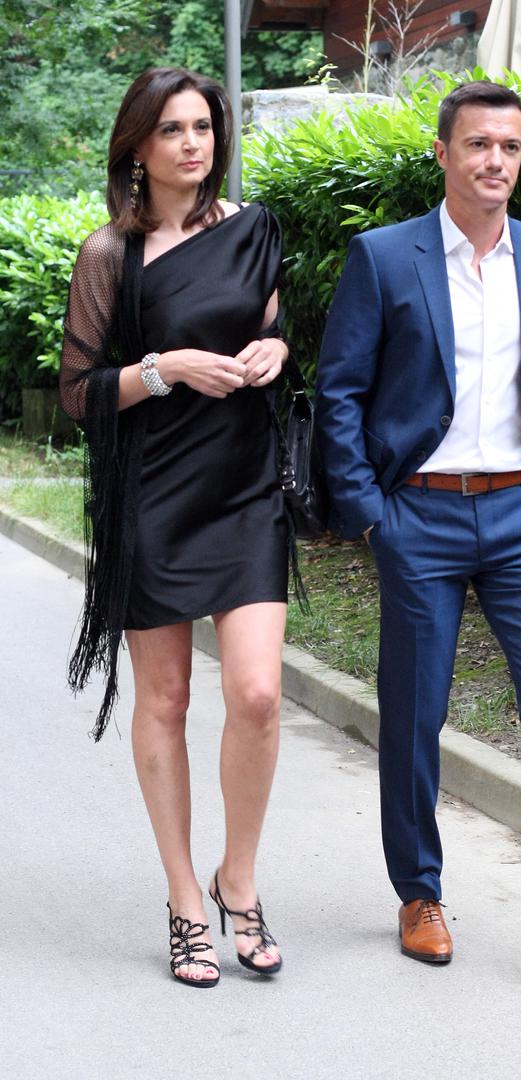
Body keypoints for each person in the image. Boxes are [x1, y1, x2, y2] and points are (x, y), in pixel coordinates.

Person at [316, 81, 521, 990]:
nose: (497, 161)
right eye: (480, 144)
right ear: (444, 153)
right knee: (416, 716)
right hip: (419, 514)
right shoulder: (384, 256)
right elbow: (340, 390)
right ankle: (419, 893)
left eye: (511, 147)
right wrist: (371, 514)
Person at [60, 68, 290, 988]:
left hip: (244, 489)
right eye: (172, 130)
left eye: (202, 127)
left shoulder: (253, 228)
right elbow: (78, 394)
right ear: (138, 149)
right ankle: (187, 897)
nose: (193, 143)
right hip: (152, 493)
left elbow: (272, 325)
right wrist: (167, 368)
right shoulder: (108, 255)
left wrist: (276, 348)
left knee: (258, 694)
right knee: (165, 701)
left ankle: (241, 877)